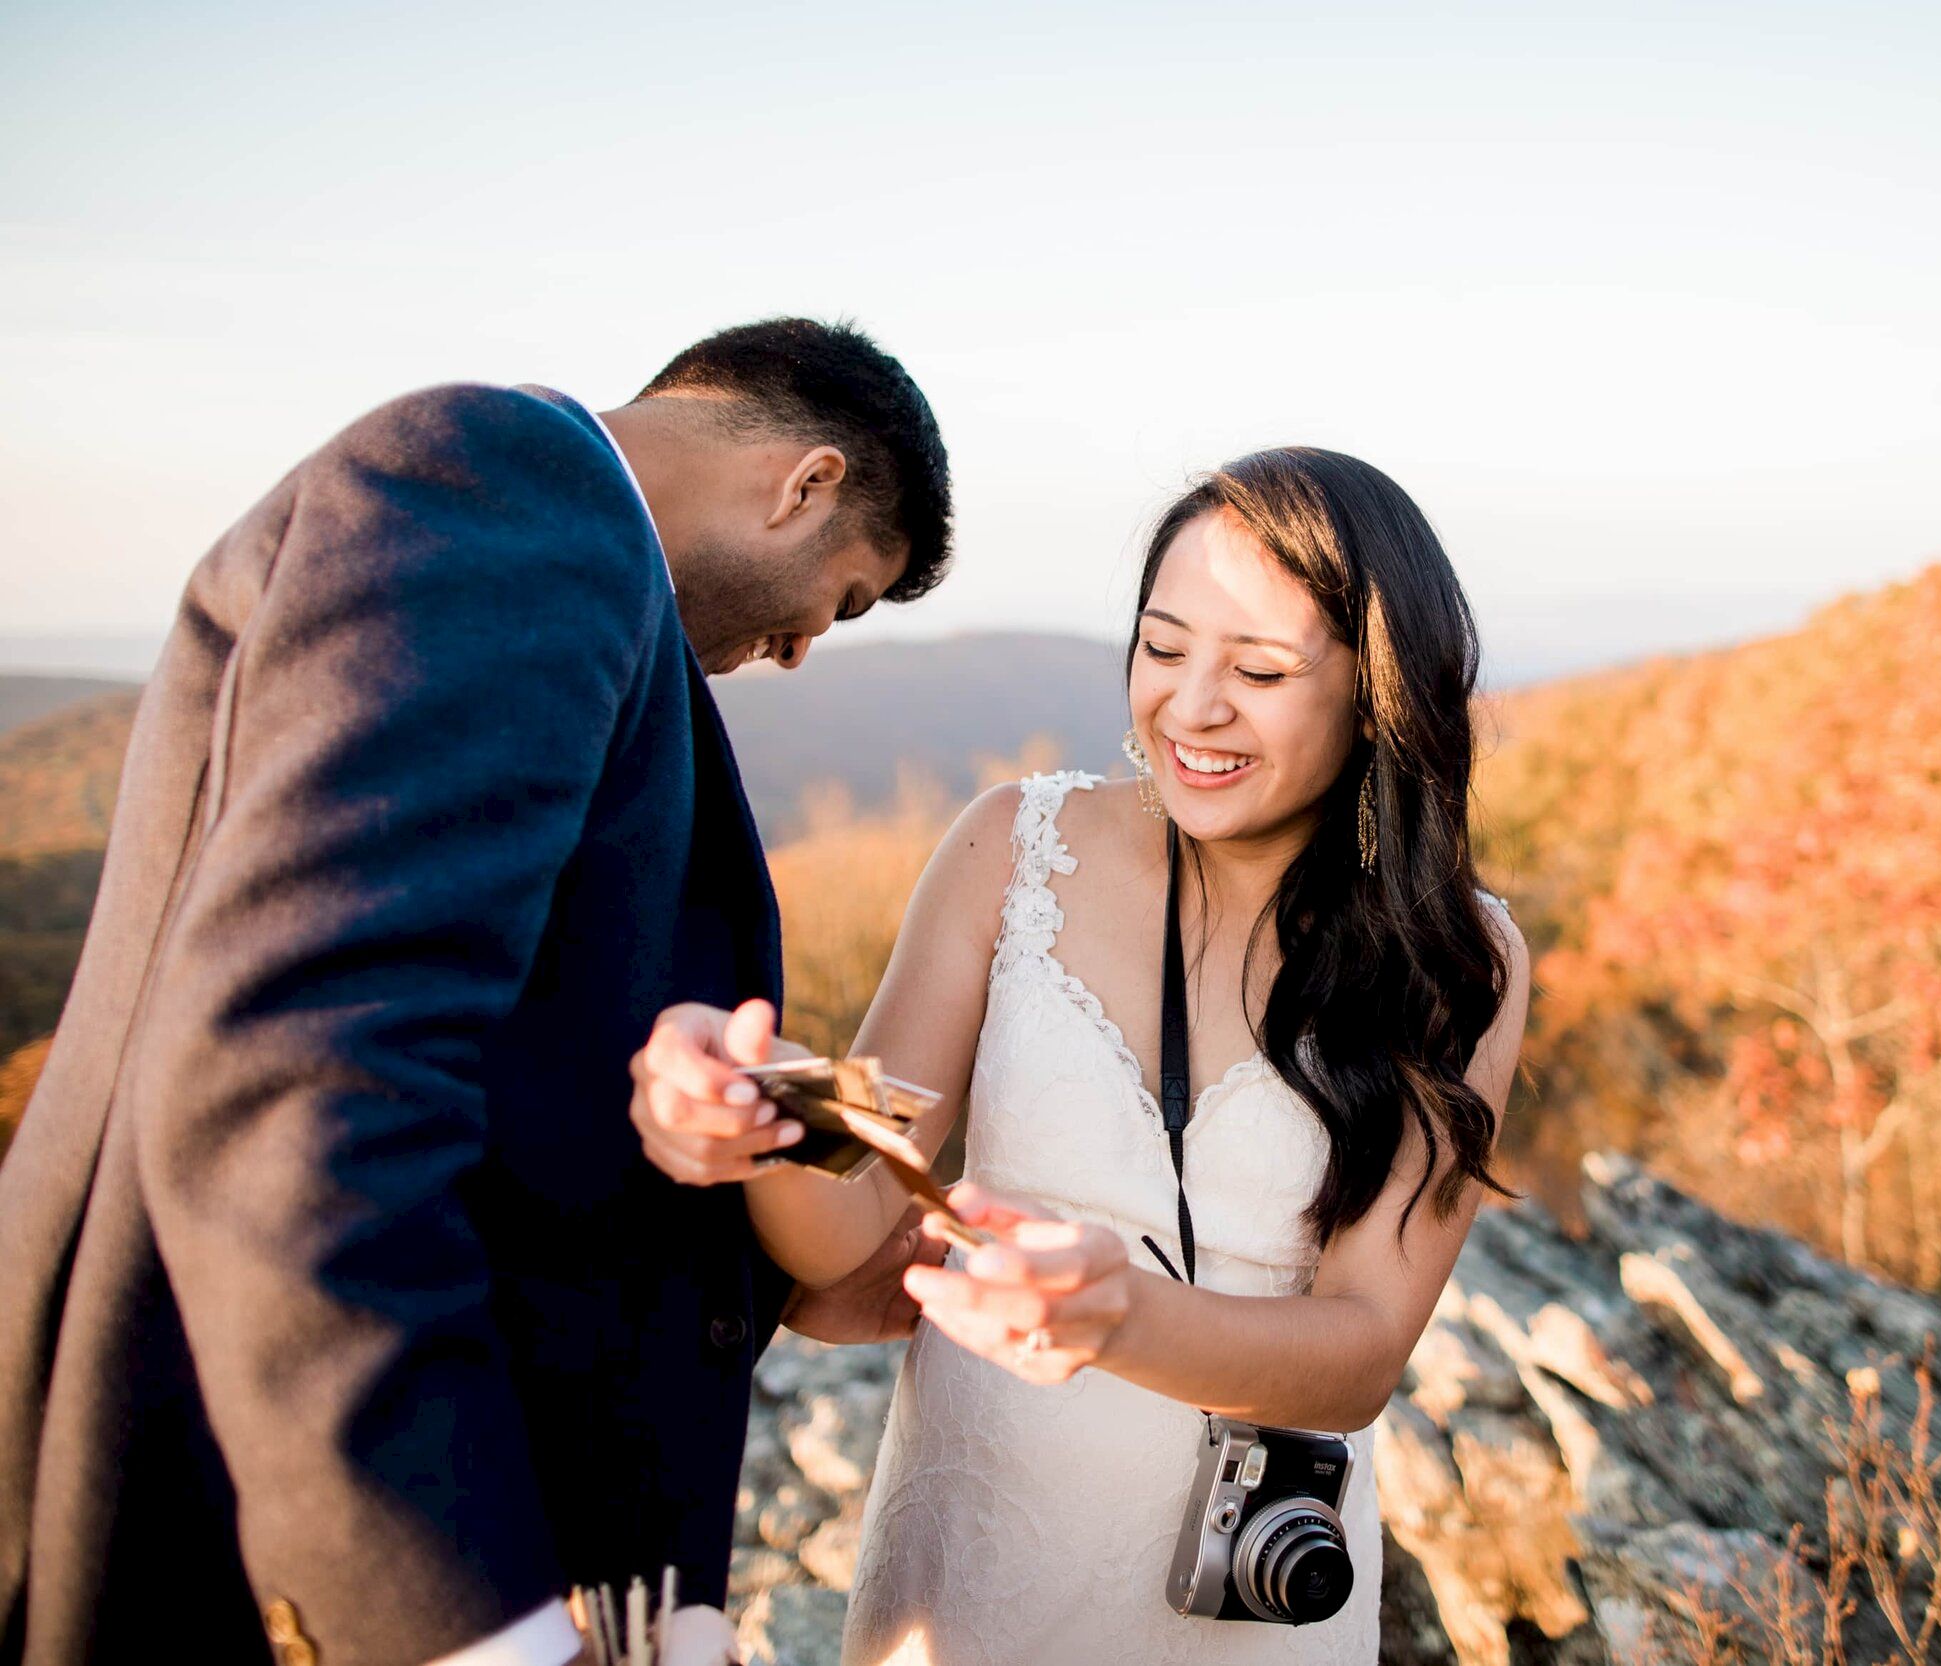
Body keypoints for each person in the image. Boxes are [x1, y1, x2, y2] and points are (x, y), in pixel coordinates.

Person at [0, 318, 954, 1666]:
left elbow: (519, 1071)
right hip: (268, 1518)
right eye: (842, 596)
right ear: (802, 483)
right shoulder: (510, 484)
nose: (804, 648)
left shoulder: (574, 577)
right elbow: (305, 1076)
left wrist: (770, 1280)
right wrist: (476, 1625)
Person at [631, 447, 1532, 1663]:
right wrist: (752, 1107)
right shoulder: (1010, 845)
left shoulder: (1458, 955)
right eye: (1163, 649)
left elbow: (1361, 1351)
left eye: (1259, 670)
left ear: (1375, 695)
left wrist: (1119, 1317)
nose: (1192, 706)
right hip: (971, 1568)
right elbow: (848, 1208)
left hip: (1257, 1605)